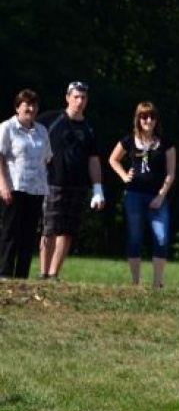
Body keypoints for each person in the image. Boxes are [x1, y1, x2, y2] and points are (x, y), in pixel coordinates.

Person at [40, 81, 105, 280]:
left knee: (67, 231)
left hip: (78, 186)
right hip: (52, 182)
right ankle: (43, 273)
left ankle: (53, 274)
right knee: (49, 230)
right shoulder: (50, 120)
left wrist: (97, 188)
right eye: (76, 97)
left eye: (83, 97)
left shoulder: (89, 129)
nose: (79, 101)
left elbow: (93, 160)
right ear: (67, 97)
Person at [108, 101, 176, 288]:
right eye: (144, 116)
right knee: (135, 237)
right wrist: (123, 176)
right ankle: (135, 283)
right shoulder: (129, 140)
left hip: (157, 197)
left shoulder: (166, 143)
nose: (148, 120)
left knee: (161, 238)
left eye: (152, 116)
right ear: (138, 119)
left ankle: (157, 284)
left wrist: (161, 196)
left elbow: (171, 173)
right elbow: (113, 159)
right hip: (134, 195)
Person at [0, 90, 53, 279]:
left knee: (28, 234)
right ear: (17, 107)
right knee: (10, 232)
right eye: (27, 105)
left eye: (34, 105)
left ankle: (22, 276)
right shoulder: (7, 128)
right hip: (14, 187)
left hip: (36, 189)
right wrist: (3, 185)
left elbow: (47, 157)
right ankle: (5, 274)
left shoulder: (41, 130)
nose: (31, 109)